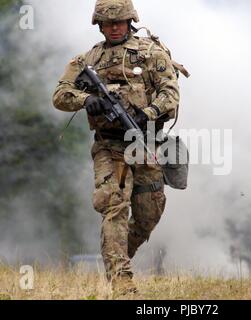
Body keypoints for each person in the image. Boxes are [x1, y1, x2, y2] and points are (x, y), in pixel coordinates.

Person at [52, 0, 180, 295]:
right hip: (109, 146)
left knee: (149, 213)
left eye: (120, 22)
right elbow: (59, 95)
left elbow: (170, 93)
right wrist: (86, 100)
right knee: (114, 204)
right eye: (108, 23)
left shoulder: (150, 53)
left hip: (146, 142)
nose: (114, 27)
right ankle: (121, 279)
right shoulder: (88, 60)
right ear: (99, 24)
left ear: (130, 21)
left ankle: (117, 254)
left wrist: (146, 113)